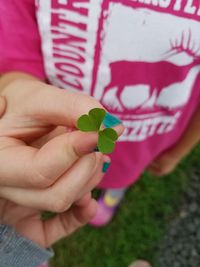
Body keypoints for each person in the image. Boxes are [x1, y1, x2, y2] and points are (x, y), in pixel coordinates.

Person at [0, 0, 200, 230]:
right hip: (60, 138)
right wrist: (20, 94)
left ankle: (116, 187)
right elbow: (19, 59)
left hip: (145, 143)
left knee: (123, 172)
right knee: (68, 175)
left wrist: (176, 153)